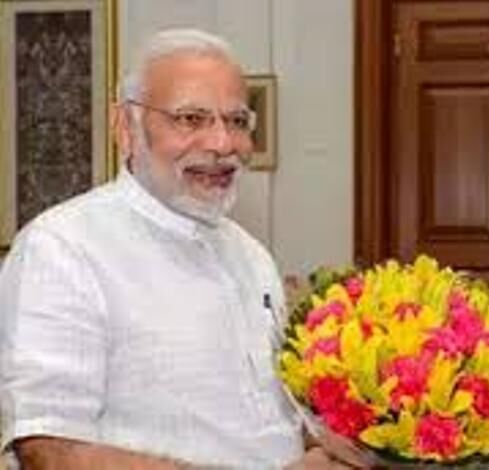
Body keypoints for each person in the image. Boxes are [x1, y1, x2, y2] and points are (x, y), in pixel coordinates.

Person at [0, 29, 342, 469]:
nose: (222, 144)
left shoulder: (251, 255)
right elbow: (48, 449)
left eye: (237, 121)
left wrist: (325, 449)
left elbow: (267, 418)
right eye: (191, 119)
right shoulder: (63, 248)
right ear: (126, 128)